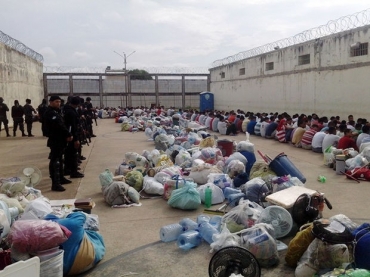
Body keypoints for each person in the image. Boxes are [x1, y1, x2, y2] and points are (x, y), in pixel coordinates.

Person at [43, 95, 73, 192]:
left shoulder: (56, 111)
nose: (58, 103)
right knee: (55, 161)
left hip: (60, 139)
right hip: (55, 139)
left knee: (60, 159)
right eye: (56, 102)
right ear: (50, 102)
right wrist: (68, 134)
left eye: (59, 102)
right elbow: (59, 125)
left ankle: (61, 178)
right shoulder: (50, 113)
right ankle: (55, 183)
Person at [63, 97, 84, 179]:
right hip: (72, 136)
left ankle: (67, 169)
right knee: (73, 153)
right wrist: (76, 139)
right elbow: (73, 127)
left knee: (68, 153)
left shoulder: (67, 109)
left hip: (68, 135)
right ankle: (73, 172)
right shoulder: (71, 112)